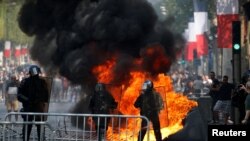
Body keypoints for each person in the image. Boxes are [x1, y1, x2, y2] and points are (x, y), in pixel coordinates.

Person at [17, 65, 50, 141]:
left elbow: (46, 97)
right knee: (27, 129)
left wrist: (39, 100)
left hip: (38, 109)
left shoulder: (42, 82)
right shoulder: (25, 82)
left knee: (40, 129)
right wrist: (28, 100)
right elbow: (19, 95)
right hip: (29, 108)